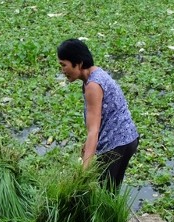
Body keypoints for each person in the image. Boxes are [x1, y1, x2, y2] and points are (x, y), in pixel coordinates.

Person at [57, 39, 139, 191]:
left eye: (64, 65)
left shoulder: (93, 86)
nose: (62, 70)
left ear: (79, 63)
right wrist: (86, 146)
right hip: (128, 139)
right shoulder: (96, 75)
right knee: (110, 193)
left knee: (101, 196)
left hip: (115, 144)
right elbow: (102, 118)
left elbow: (93, 131)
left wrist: (84, 171)